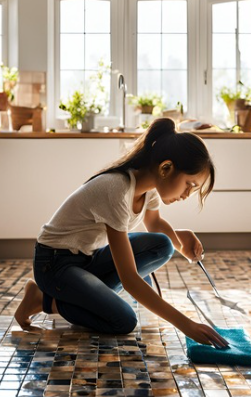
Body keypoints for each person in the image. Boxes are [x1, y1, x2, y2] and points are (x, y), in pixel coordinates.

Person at [14, 118, 229, 349]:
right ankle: (42, 298)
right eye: (190, 184)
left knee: (163, 245)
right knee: (123, 320)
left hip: (87, 258)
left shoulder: (150, 188)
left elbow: (155, 223)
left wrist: (180, 243)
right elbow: (130, 281)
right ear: (166, 168)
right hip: (54, 264)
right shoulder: (116, 189)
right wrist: (187, 325)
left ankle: (86, 295)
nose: (187, 194)